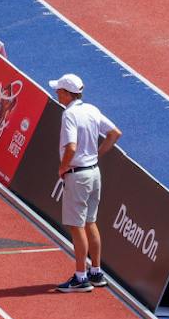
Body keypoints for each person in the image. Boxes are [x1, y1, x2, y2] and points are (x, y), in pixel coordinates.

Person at [49, 74, 119, 292]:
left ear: (68, 94)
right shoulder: (92, 110)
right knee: (90, 222)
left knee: (77, 226)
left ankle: (81, 277)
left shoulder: (69, 115)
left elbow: (70, 147)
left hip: (77, 175)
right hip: (94, 172)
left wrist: (63, 167)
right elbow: (114, 134)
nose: (56, 93)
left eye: (59, 90)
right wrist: (96, 155)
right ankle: (96, 272)